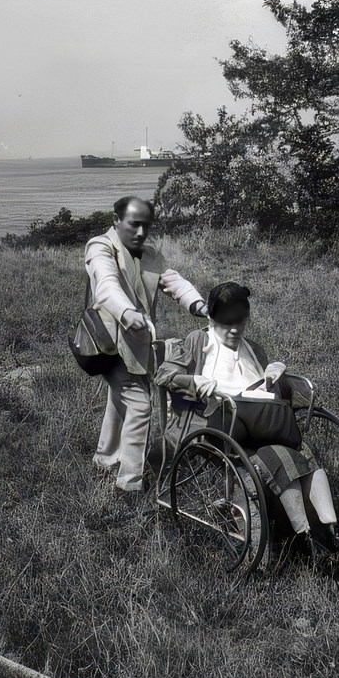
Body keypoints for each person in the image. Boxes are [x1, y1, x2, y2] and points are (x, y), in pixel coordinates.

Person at [154, 281, 339, 557]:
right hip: (217, 426)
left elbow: (273, 395)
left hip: (257, 425)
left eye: (240, 323)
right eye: (226, 323)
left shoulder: (253, 350)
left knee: (296, 459)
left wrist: (273, 377)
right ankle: (307, 537)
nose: (234, 330)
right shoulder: (197, 342)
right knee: (273, 459)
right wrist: (195, 381)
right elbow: (164, 375)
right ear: (211, 318)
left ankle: (330, 532)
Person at [85, 195, 207, 500]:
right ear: (116, 220)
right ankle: (130, 484)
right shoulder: (100, 247)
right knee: (139, 405)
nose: (140, 232)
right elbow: (106, 284)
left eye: (146, 226)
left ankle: (104, 459)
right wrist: (126, 312)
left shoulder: (150, 254)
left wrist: (200, 305)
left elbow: (172, 281)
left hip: (136, 343)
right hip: (106, 341)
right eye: (133, 224)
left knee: (121, 398)